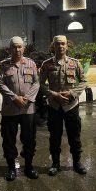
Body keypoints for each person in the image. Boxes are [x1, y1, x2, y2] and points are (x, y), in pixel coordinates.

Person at [39, 35, 87, 176]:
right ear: (53, 46)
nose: (60, 46)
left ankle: (77, 162)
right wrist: (54, 94)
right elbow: (40, 84)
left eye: (63, 44)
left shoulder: (75, 63)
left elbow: (84, 81)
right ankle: (55, 163)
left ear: (67, 46)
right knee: (55, 136)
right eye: (57, 44)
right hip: (54, 106)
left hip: (71, 106)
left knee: (74, 136)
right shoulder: (47, 64)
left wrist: (72, 93)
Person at [0, 36, 40, 181]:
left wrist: (27, 98)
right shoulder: (4, 65)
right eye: (14, 47)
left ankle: (29, 166)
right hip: (10, 109)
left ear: (24, 48)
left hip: (28, 109)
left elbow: (36, 83)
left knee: (29, 139)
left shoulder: (31, 63)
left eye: (20, 46)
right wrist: (15, 97)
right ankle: (11, 168)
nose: (17, 49)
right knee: (9, 140)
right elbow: (0, 84)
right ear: (10, 48)